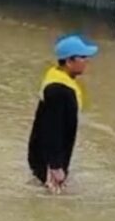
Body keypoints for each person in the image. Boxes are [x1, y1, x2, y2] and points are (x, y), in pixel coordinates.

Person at [28, 34, 98, 193]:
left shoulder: (58, 76)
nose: (87, 61)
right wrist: (55, 166)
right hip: (48, 159)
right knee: (52, 201)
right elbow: (52, 128)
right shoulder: (59, 91)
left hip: (46, 155)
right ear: (69, 61)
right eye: (82, 57)